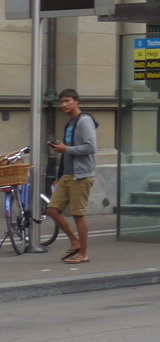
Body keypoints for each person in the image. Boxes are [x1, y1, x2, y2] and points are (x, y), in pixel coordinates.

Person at [47, 88, 97, 264]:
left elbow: (90, 147)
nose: (63, 104)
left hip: (81, 175)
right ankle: (75, 241)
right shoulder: (70, 123)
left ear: (77, 101)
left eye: (67, 100)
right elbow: (66, 151)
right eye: (61, 101)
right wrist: (60, 173)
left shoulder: (84, 121)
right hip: (68, 175)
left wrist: (65, 149)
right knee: (52, 209)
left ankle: (83, 254)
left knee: (78, 214)